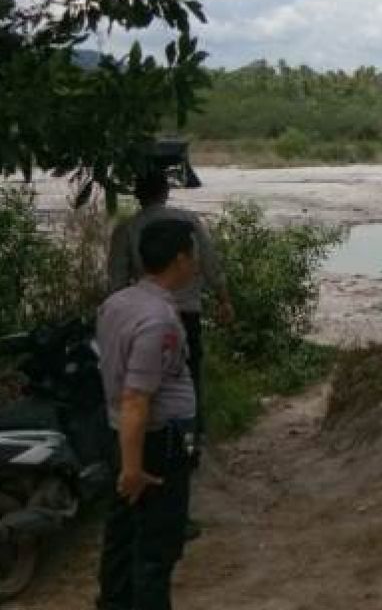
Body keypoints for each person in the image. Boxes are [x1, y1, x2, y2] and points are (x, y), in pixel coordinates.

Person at [96, 218, 199, 610]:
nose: (195, 263)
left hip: (124, 436)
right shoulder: (158, 320)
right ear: (179, 258)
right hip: (155, 444)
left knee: (121, 536)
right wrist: (133, 468)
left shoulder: (117, 302)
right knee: (156, 546)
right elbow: (137, 399)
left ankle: (113, 602)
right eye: (192, 254)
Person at [108, 171, 232, 446]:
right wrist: (224, 299)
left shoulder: (127, 228)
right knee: (189, 374)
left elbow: (117, 282)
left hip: (143, 314)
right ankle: (193, 437)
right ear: (165, 191)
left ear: (138, 194)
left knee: (144, 377)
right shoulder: (188, 221)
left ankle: (149, 436)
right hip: (186, 312)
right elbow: (210, 264)